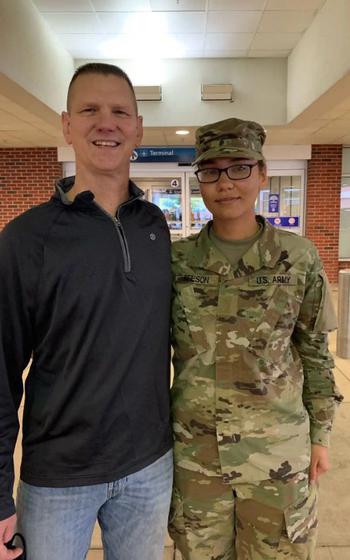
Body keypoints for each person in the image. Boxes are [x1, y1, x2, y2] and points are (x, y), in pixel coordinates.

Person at [0, 62, 173, 560]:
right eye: (90, 110)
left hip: (149, 467)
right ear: (66, 124)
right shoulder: (27, 240)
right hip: (59, 478)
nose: (106, 123)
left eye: (120, 111)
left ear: (138, 127)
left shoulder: (155, 227)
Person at [168, 117, 343, 559]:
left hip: (276, 456)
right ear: (200, 180)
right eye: (211, 171)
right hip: (195, 459)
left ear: (262, 173)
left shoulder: (297, 257)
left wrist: (320, 435)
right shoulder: (176, 262)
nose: (225, 183)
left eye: (239, 167)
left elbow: (316, 353)